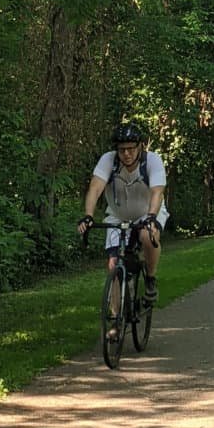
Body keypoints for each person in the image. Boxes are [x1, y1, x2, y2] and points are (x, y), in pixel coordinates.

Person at [77, 121, 169, 305]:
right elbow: (95, 188)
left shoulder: (152, 161)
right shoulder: (108, 160)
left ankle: (150, 277)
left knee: (147, 235)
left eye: (130, 149)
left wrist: (151, 217)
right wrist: (88, 215)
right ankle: (114, 325)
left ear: (140, 146)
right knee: (113, 265)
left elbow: (157, 191)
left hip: (147, 212)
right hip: (118, 215)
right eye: (121, 150)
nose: (126, 154)